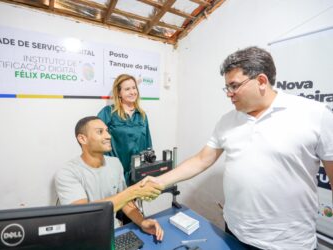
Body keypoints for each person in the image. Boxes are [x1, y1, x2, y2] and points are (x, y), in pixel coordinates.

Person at [142, 46, 333, 250]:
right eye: (227, 87)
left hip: (288, 242)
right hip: (235, 232)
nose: (229, 94)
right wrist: (159, 181)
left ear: (261, 81)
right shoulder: (227, 121)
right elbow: (201, 160)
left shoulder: (315, 115)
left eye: (234, 86)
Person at [55, 116, 164, 240]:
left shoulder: (115, 163)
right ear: (82, 139)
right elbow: (82, 214)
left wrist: (142, 222)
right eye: (100, 132)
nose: (108, 136)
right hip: (84, 237)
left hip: (115, 232)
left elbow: (126, 202)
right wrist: (132, 191)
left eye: (107, 131)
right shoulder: (67, 172)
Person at [98, 74, 152, 186]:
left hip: (137, 172)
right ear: (119, 93)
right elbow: (95, 139)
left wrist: (147, 169)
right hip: (114, 173)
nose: (132, 92)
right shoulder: (108, 113)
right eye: (127, 89)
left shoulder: (142, 115)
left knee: (134, 203)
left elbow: (148, 143)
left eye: (134, 88)